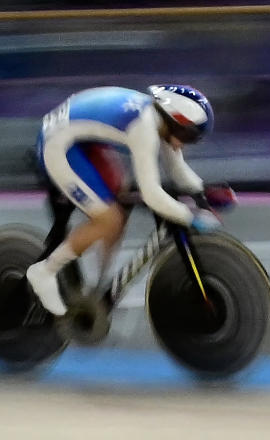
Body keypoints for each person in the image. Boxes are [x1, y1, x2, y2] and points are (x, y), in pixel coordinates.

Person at [27, 80, 229, 314]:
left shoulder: (161, 120)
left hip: (81, 140)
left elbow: (177, 171)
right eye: (189, 135)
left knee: (119, 203)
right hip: (57, 144)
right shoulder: (144, 128)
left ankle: (96, 292)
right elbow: (152, 195)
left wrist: (204, 192)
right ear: (175, 120)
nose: (185, 143)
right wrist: (190, 216)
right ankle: (43, 272)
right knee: (109, 219)